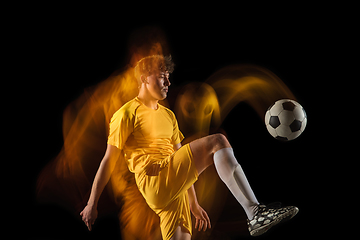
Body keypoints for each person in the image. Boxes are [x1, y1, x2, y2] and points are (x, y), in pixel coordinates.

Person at [80, 55, 298, 240]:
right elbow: (108, 160)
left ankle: (253, 213)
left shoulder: (168, 116)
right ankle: (254, 212)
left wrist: (193, 203)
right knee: (218, 142)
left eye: (168, 77)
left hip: (173, 189)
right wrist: (92, 204)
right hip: (154, 179)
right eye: (161, 76)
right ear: (144, 79)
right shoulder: (126, 114)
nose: (168, 82)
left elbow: (180, 158)